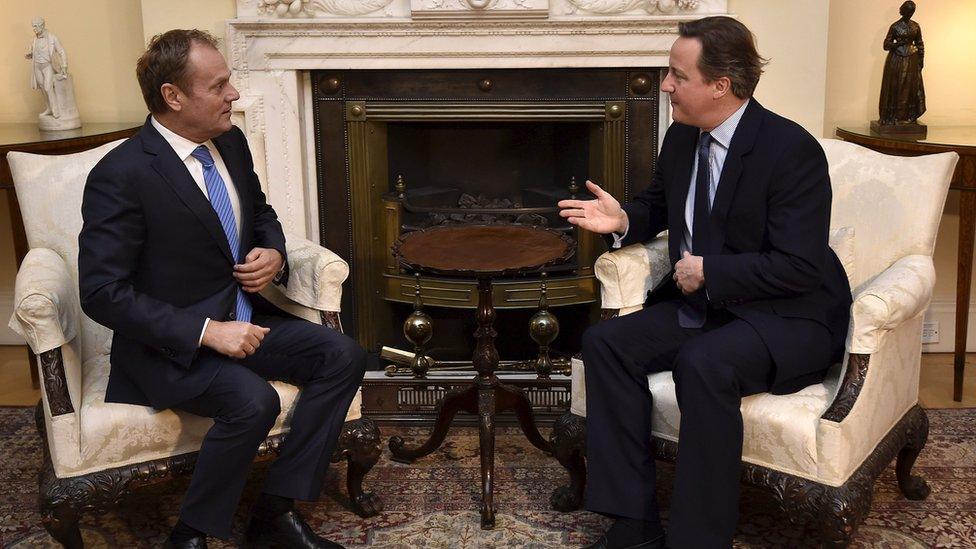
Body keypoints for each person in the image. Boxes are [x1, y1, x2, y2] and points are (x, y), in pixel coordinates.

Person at [558, 16, 851, 549]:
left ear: (721, 85)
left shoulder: (791, 151)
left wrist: (711, 271)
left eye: (676, 75)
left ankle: (697, 538)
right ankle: (633, 522)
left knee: (704, 363)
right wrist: (623, 220)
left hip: (784, 313)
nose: (665, 85)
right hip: (710, 306)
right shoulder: (682, 137)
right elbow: (660, 205)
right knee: (605, 344)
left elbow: (801, 266)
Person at [79, 29, 366, 549]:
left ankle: (275, 513)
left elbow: (260, 213)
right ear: (174, 96)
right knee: (252, 401)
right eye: (219, 86)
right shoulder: (120, 175)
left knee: (343, 354)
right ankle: (191, 534)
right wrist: (208, 331)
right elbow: (101, 292)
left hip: (248, 323)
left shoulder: (229, 142)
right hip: (171, 348)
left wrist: (273, 252)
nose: (233, 94)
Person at [878, 0, 925, 125]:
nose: (910, 14)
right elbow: (886, 45)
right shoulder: (895, 26)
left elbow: (920, 44)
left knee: (910, 87)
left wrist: (921, 61)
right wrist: (898, 44)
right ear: (903, 11)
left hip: (912, 60)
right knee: (896, 86)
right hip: (897, 59)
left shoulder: (916, 26)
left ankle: (908, 115)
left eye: (912, 11)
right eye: (908, 11)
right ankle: (893, 116)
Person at [26, 16, 67, 119]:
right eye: (33, 26)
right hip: (37, 66)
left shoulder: (52, 37)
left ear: (42, 25)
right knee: (43, 88)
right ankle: (49, 108)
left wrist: (64, 65)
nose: (34, 28)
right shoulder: (34, 39)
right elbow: (33, 51)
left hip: (47, 65)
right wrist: (30, 54)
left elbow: (61, 51)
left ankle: (55, 111)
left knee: (48, 87)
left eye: (35, 26)